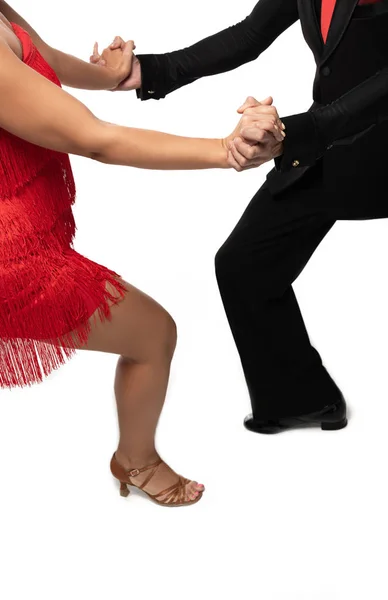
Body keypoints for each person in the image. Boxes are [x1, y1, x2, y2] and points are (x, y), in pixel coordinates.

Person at [0, 1, 285, 506]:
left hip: (23, 237)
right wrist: (226, 151)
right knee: (153, 335)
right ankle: (137, 461)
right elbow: (95, 140)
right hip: (10, 262)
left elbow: (38, 55)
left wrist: (111, 76)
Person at [92, 0, 388, 434]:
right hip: (334, 145)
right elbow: (249, 34)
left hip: (383, 146)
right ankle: (304, 399)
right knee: (243, 264)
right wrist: (148, 69)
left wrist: (299, 132)